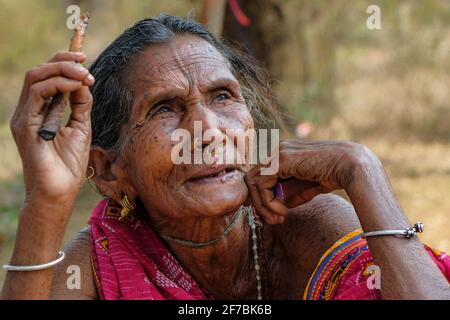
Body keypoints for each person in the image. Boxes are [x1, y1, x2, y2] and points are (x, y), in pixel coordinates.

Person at [1, 15, 449, 300]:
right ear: (111, 170)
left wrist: (363, 171)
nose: (210, 131)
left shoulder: (312, 227)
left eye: (222, 97)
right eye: (164, 108)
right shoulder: (100, 265)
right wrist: (45, 201)